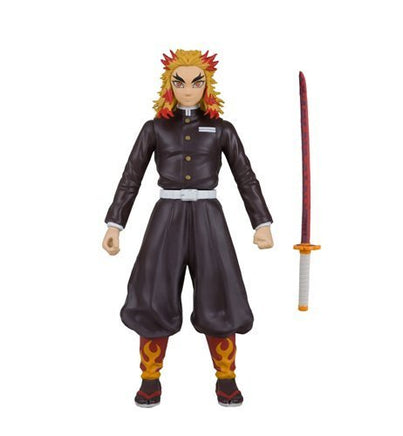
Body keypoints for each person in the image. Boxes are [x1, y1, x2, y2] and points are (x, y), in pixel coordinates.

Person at [102, 49, 273, 407]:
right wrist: (116, 223)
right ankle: (150, 378)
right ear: (169, 84)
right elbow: (131, 176)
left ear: (207, 84)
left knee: (219, 292)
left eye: (197, 82)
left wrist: (261, 222)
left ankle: (226, 377)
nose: (189, 89)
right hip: (166, 217)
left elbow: (245, 176)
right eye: (180, 82)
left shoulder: (222, 129)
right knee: (154, 293)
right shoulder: (154, 128)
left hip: (210, 216)